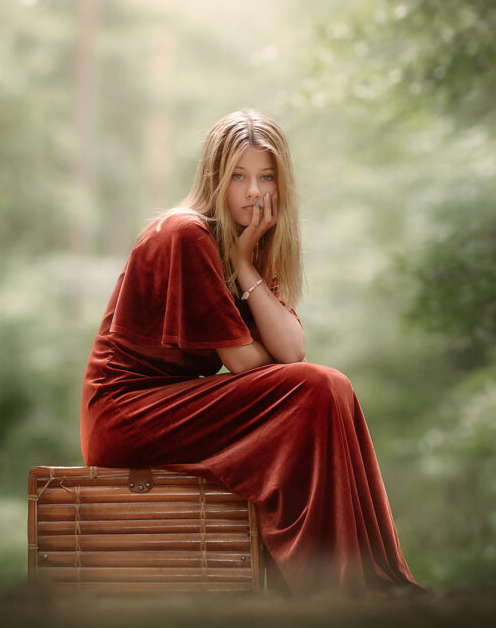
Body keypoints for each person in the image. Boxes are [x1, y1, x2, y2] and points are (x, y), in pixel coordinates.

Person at [80, 108, 420, 595]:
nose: (254, 191)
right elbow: (246, 364)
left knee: (326, 389)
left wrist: (243, 262)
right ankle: (327, 580)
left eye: (266, 177)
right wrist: (239, 261)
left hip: (172, 406)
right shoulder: (185, 233)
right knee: (317, 388)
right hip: (126, 414)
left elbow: (291, 348)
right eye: (238, 177)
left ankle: (339, 571)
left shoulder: (242, 246)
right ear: (216, 180)